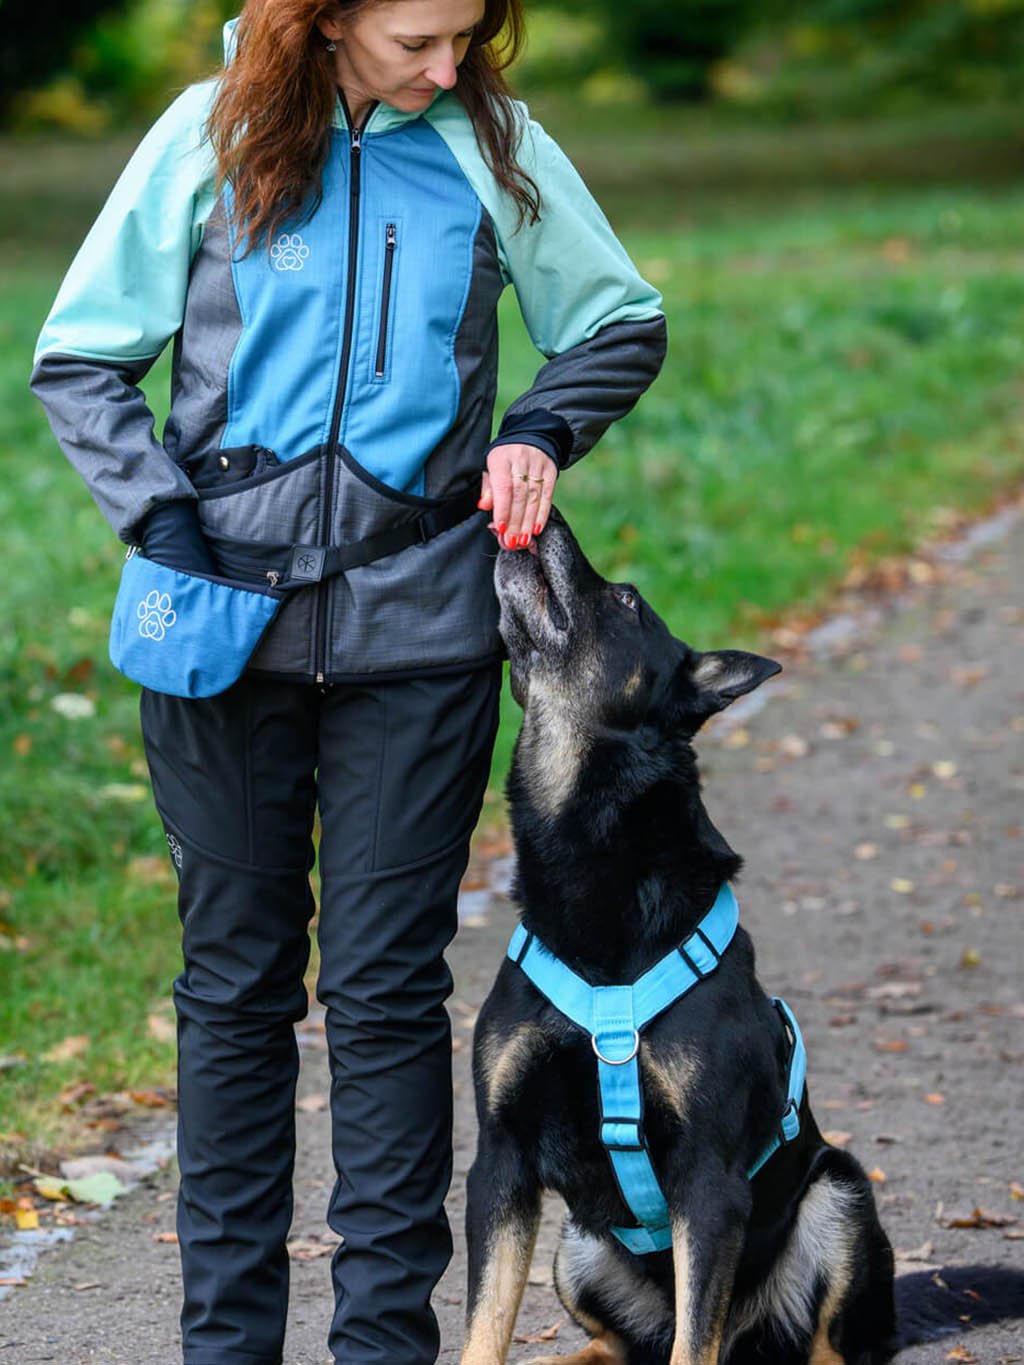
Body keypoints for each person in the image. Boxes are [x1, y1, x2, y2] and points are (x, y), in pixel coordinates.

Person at [30, 1, 666, 1360]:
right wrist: (171, 533)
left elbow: (618, 318)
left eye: (469, 36)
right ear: (324, 19)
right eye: (422, 39)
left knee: (383, 991)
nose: (453, 68)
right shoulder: (214, 135)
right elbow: (78, 358)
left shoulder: (495, 142)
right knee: (235, 984)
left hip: (424, 628)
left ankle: (384, 1344)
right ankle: (226, 1344)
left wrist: (542, 428)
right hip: (214, 627)